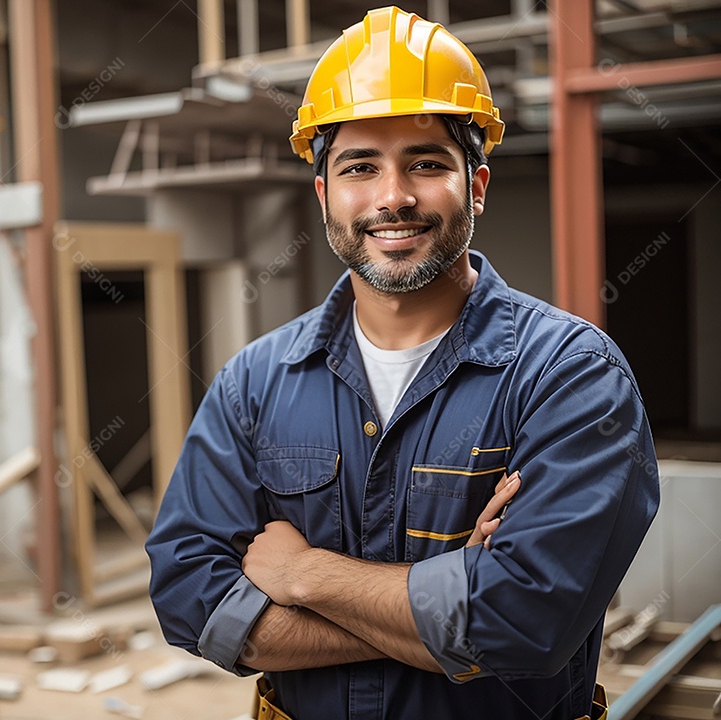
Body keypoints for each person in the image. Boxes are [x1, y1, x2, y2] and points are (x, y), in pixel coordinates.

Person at [145, 6, 660, 720]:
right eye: (360, 167)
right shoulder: (255, 383)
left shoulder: (571, 376)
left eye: (425, 163)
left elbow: (524, 622)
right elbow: (190, 603)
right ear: (325, 195)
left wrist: (302, 574)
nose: (393, 197)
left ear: (475, 186)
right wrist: (448, 601)